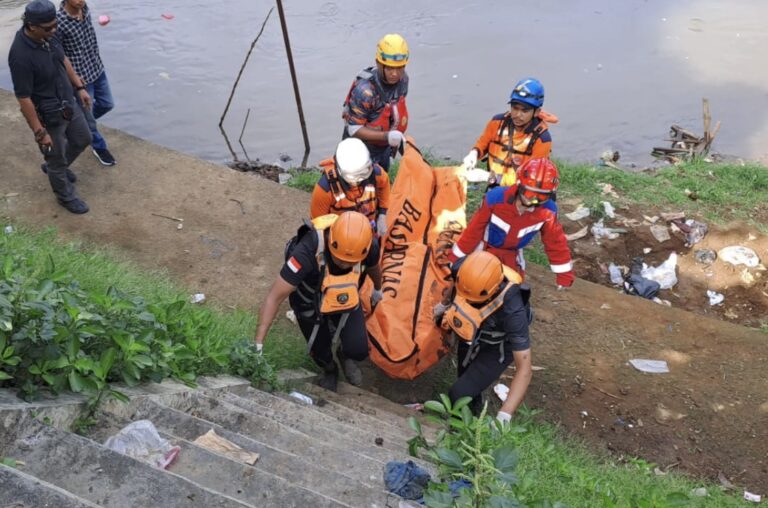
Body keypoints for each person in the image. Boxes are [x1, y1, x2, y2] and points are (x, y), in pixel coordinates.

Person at [254, 212, 384, 391]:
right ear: (331, 242)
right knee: (320, 351)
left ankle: (344, 353)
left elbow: (373, 268)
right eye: (340, 260)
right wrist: (258, 344)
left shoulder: (367, 246)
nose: (344, 265)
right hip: (309, 301)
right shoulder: (307, 251)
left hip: (344, 297)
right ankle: (330, 369)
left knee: (358, 349)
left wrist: (378, 288)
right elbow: (274, 297)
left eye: (350, 262)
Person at [8, 0, 93, 214]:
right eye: (49, 28)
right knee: (55, 157)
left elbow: (63, 59)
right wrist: (39, 131)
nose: (54, 30)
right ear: (32, 26)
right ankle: (65, 196)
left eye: (55, 25)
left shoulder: (49, 34)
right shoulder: (20, 56)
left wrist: (80, 86)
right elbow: (24, 98)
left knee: (83, 138)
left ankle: (57, 169)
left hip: (67, 100)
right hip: (48, 114)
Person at [435, 251, 533, 422]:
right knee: (464, 376)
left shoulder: (513, 310)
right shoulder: (465, 269)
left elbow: (524, 368)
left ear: (492, 291)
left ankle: (459, 425)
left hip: (498, 347)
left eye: (473, 301)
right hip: (472, 330)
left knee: (458, 393)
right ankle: (474, 405)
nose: (467, 301)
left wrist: (505, 414)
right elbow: (454, 286)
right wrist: (444, 304)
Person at [448, 158, 574, 288]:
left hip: (512, 254)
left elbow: (555, 241)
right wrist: (455, 256)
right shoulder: (495, 199)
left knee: (512, 289)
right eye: (529, 194)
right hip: (484, 248)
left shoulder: (548, 212)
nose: (533, 201)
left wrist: (564, 273)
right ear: (519, 185)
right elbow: (474, 231)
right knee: (473, 283)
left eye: (541, 197)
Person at [462, 78, 554, 187]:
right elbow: (483, 143)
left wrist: (489, 177)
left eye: (525, 111)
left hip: (523, 192)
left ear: (536, 112)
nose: (518, 115)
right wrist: (474, 154)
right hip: (495, 185)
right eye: (515, 108)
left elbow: (532, 177)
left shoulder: (542, 139)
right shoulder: (497, 122)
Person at [57, 0, 116, 166]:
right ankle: (99, 146)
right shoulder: (59, 22)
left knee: (107, 104)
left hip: (96, 68)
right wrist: (74, 80)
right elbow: (59, 55)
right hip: (81, 79)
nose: (80, 0)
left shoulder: (84, 9)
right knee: (89, 120)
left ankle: (78, 127)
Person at [342, 33, 409, 171]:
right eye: (390, 68)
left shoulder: (403, 81)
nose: (395, 74)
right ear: (379, 63)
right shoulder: (365, 91)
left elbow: (394, 112)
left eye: (399, 68)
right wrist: (387, 136)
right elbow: (354, 129)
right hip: (359, 149)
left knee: (382, 182)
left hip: (383, 147)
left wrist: (393, 142)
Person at [310, 138, 391, 237]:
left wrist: (382, 215)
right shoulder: (325, 190)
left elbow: (384, 186)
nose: (357, 181)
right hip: (340, 238)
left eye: (362, 174)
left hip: (369, 231)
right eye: (353, 177)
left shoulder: (377, 175)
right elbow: (318, 227)